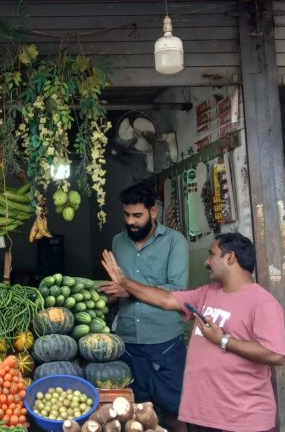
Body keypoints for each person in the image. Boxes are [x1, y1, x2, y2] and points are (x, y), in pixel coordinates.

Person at [101, 233, 285, 432]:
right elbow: (166, 300)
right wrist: (125, 282)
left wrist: (223, 341)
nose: (207, 261)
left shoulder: (262, 302)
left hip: (242, 419)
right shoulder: (207, 292)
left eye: (212, 254)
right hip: (203, 415)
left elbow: (275, 354)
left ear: (230, 258)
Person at [98, 183, 189, 432]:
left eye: (137, 215)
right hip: (127, 343)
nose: (131, 221)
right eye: (127, 215)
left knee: (174, 411)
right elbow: (118, 286)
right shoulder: (119, 242)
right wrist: (109, 295)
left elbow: (176, 291)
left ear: (153, 211)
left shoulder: (174, 242)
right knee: (131, 413)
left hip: (164, 344)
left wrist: (128, 288)